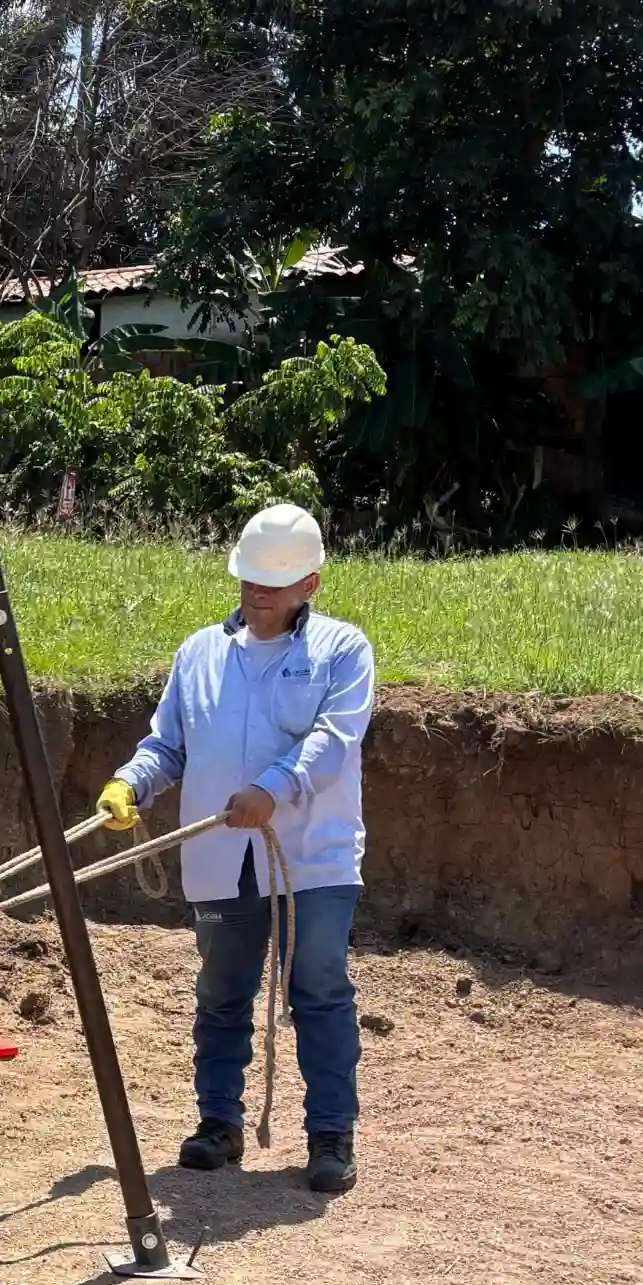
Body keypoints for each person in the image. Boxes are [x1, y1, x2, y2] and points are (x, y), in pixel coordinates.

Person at [98, 502, 376, 1195]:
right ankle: (218, 1121)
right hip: (222, 855)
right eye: (250, 578)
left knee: (318, 987)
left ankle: (330, 1134)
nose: (257, 592)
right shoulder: (198, 654)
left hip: (312, 858)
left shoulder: (343, 652)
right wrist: (130, 783)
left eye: (273, 583)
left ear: (309, 584)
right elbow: (168, 745)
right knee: (221, 989)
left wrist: (271, 788)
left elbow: (333, 742)